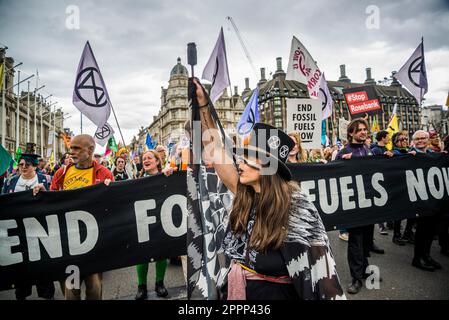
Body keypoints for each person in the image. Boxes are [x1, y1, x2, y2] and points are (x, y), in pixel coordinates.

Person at [193, 79, 345, 300]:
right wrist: (203, 105)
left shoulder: (296, 206)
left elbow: (322, 273)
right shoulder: (248, 192)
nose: (241, 163)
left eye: (250, 158)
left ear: (269, 168)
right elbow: (215, 150)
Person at [35, 134, 114, 300]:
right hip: (66, 241)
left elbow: (113, 208)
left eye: (76, 148)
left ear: (90, 150)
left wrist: (111, 191)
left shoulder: (104, 174)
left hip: (92, 241)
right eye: (71, 148)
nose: (71, 152)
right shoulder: (61, 173)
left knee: (93, 287)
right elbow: (52, 201)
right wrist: (43, 191)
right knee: (71, 291)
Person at [336, 118, 383, 294]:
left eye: (365, 129)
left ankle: (364, 269)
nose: (364, 132)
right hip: (354, 205)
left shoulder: (367, 150)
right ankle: (356, 278)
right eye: (360, 130)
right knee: (355, 241)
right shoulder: (344, 152)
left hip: (368, 204)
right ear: (351, 133)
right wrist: (342, 161)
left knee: (366, 239)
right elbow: (334, 173)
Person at [2, 152, 55, 300]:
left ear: (35, 166)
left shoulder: (46, 179)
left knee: (43, 265)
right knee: (21, 265)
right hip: (18, 232)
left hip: (41, 231)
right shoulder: (10, 182)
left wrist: (46, 192)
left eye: (27, 165)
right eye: (21, 164)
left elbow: (56, 200)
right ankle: (22, 293)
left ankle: (46, 294)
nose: (23, 167)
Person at [135, 149, 169, 299]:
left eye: (149, 158)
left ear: (157, 161)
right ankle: (141, 287)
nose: (146, 160)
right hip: (143, 222)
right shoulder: (137, 181)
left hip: (161, 221)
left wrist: (171, 173)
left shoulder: (166, 177)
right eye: (144, 159)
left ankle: (159, 283)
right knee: (142, 255)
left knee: (161, 253)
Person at [409, 130, 441, 272]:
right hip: (418, 200)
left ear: (428, 140)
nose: (421, 141)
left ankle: (426, 255)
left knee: (431, 229)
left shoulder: (431, 155)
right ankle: (417, 258)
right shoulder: (408, 155)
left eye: (424, 138)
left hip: (432, 200)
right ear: (413, 141)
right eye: (418, 139)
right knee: (422, 230)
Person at [390, 131, 416, 246]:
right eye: (402, 139)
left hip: (411, 185)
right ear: (396, 142)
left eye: (406, 139)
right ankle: (396, 235)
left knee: (412, 211)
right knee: (399, 213)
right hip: (399, 186)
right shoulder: (394, 153)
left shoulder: (410, 152)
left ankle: (408, 232)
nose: (405, 141)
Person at [371, 130, 394, 235]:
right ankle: (381, 226)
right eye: (388, 137)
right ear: (383, 138)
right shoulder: (375, 150)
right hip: (377, 180)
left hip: (386, 177)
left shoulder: (387, 148)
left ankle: (389, 222)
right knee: (379, 202)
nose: (389, 138)